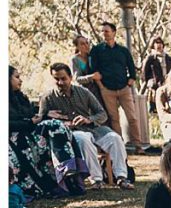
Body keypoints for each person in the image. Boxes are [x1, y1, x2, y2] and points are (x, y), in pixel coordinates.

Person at [39, 62, 134, 190]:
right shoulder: (48, 97)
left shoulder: (83, 92)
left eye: (63, 78)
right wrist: (59, 123)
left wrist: (88, 119)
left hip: (92, 128)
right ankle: (97, 180)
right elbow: (41, 120)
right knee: (83, 139)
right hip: (70, 133)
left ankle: (122, 178)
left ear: (71, 77)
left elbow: (102, 114)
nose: (60, 82)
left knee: (115, 138)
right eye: (57, 79)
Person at [9, 66, 87, 198]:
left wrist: (44, 115)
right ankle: (65, 176)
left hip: (27, 133)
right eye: (17, 77)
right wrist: (30, 122)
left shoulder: (19, 97)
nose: (20, 80)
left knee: (56, 126)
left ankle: (69, 173)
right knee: (53, 127)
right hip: (14, 138)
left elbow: (30, 114)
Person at [88, 21, 145, 153]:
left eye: (107, 31)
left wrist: (130, 82)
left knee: (132, 117)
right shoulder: (96, 51)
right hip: (107, 89)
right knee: (114, 118)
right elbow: (94, 70)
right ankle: (120, 145)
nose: (104, 34)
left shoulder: (123, 51)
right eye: (102, 31)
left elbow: (131, 68)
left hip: (124, 88)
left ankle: (138, 145)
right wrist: (101, 87)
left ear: (114, 33)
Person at [141, 36, 171, 113]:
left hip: (167, 84)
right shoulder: (150, 58)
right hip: (155, 86)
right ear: (153, 45)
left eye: (160, 43)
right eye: (156, 43)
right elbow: (144, 74)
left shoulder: (168, 58)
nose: (159, 45)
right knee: (155, 106)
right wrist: (151, 82)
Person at [71, 34, 104, 106]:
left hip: (100, 89)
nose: (86, 45)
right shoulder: (75, 59)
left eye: (87, 43)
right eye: (82, 44)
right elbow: (77, 79)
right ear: (77, 46)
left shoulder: (93, 56)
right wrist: (91, 77)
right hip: (86, 92)